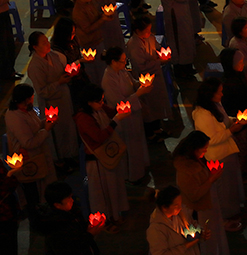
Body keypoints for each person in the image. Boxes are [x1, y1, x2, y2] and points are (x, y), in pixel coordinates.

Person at [74, 84, 130, 233]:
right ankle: (104, 221)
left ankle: (115, 214)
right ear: (88, 102)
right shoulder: (83, 118)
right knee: (101, 193)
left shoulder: (99, 108)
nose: (102, 104)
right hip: (97, 160)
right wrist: (116, 120)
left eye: (102, 100)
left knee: (113, 187)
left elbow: (112, 112)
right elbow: (98, 137)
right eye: (98, 101)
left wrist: (121, 111)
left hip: (108, 155)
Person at [192, 77, 246, 227]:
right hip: (218, 156)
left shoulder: (215, 105)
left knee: (231, 186)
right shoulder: (202, 114)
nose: (222, 95)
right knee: (223, 190)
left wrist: (234, 120)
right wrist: (231, 131)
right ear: (210, 94)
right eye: (219, 92)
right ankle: (223, 218)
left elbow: (222, 120)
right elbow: (210, 139)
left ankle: (231, 212)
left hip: (228, 152)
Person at [5, 84, 57, 223]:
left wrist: (46, 122)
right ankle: (37, 219)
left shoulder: (27, 111)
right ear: (27, 99)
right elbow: (28, 142)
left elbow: (34, 126)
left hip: (39, 153)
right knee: (33, 190)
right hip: (29, 159)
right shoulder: (15, 117)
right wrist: (46, 130)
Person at [27, 31, 79, 168]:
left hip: (64, 97)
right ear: (35, 47)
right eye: (43, 43)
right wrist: (59, 82)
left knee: (68, 128)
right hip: (52, 103)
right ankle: (60, 159)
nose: (47, 44)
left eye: (47, 41)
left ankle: (71, 154)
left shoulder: (53, 56)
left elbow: (62, 71)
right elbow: (42, 91)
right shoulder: (35, 66)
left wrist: (69, 73)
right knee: (58, 133)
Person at [173, 131, 230, 254]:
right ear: (194, 149)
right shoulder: (186, 170)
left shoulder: (195, 160)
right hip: (198, 211)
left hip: (207, 206)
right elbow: (194, 195)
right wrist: (211, 179)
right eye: (204, 149)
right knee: (206, 240)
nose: (205, 152)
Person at [101, 46, 151, 183]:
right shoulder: (108, 79)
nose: (125, 63)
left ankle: (140, 168)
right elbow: (119, 103)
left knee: (137, 142)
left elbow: (132, 81)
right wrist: (139, 93)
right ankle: (132, 174)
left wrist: (140, 84)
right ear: (113, 62)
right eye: (122, 61)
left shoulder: (122, 71)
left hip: (134, 113)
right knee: (129, 145)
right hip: (123, 117)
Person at [126, 16, 173, 142]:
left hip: (156, 76)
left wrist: (162, 53)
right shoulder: (134, 45)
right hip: (144, 78)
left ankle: (157, 128)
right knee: (148, 107)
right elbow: (141, 66)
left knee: (157, 102)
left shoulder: (149, 38)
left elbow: (157, 48)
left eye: (150, 30)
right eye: (146, 31)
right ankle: (150, 133)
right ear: (137, 31)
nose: (149, 33)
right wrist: (159, 62)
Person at [41, 181, 103, 255]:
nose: (72, 200)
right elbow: (72, 249)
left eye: (71, 196)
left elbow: (79, 226)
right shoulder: (54, 226)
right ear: (57, 205)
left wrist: (90, 225)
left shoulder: (71, 210)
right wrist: (90, 234)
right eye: (68, 198)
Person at [146, 185, 209, 255]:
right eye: (176, 205)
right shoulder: (156, 229)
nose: (180, 208)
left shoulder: (181, 214)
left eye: (180, 204)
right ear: (164, 207)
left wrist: (201, 233)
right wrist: (186, 246)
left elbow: (192, 224)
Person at [51, 17, 91, 112]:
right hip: (71, 83)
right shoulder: (57, 50)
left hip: (81, 76)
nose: (74, 35)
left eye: (74, 32)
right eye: (71, 33)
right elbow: (64, 68)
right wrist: (80, 61)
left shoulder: (74, 40)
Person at [72, 0, 112, 85]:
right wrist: (103, 19)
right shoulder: (78, 11)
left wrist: (104, 15)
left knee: (102, 67)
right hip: (89, 43)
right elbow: (87, 29)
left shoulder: (89, 3)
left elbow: (96, 17)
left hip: (98, 39)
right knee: (94, 71)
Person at [161, 0, 197, 78]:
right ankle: (181, 69)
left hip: (181, 11)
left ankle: (187, 65)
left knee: (187, 38)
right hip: (175, 12)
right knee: (179, 42)